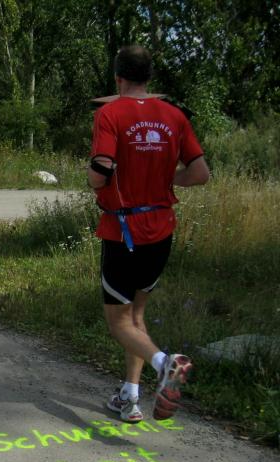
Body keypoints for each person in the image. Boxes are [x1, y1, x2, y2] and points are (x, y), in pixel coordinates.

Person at [87, 45, 210, 422]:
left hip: (123, 231)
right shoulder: (174, 115)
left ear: (118, 78)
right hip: (161, 230)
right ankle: (130, 396)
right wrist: (167, 180)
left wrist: (92, 178)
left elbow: (101, 170)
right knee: (137, 315)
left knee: (119, 322)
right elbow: (200, 173)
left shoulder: (110, 113)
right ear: (148, 77)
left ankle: (164, 363)